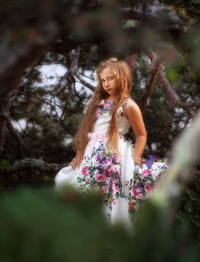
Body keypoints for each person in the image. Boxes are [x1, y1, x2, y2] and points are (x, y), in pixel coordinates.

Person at [54, 57, 168, 229]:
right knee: (73, 183)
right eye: (103, 80)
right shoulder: (97, 104)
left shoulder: (128, 105)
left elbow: (142, 135)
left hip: (113, 152)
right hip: (91, 152)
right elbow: (86, 130)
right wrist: (79, 151)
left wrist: (136, 155)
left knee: (108, 188)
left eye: (110, 78)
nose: (106, 83)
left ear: (121, 77)